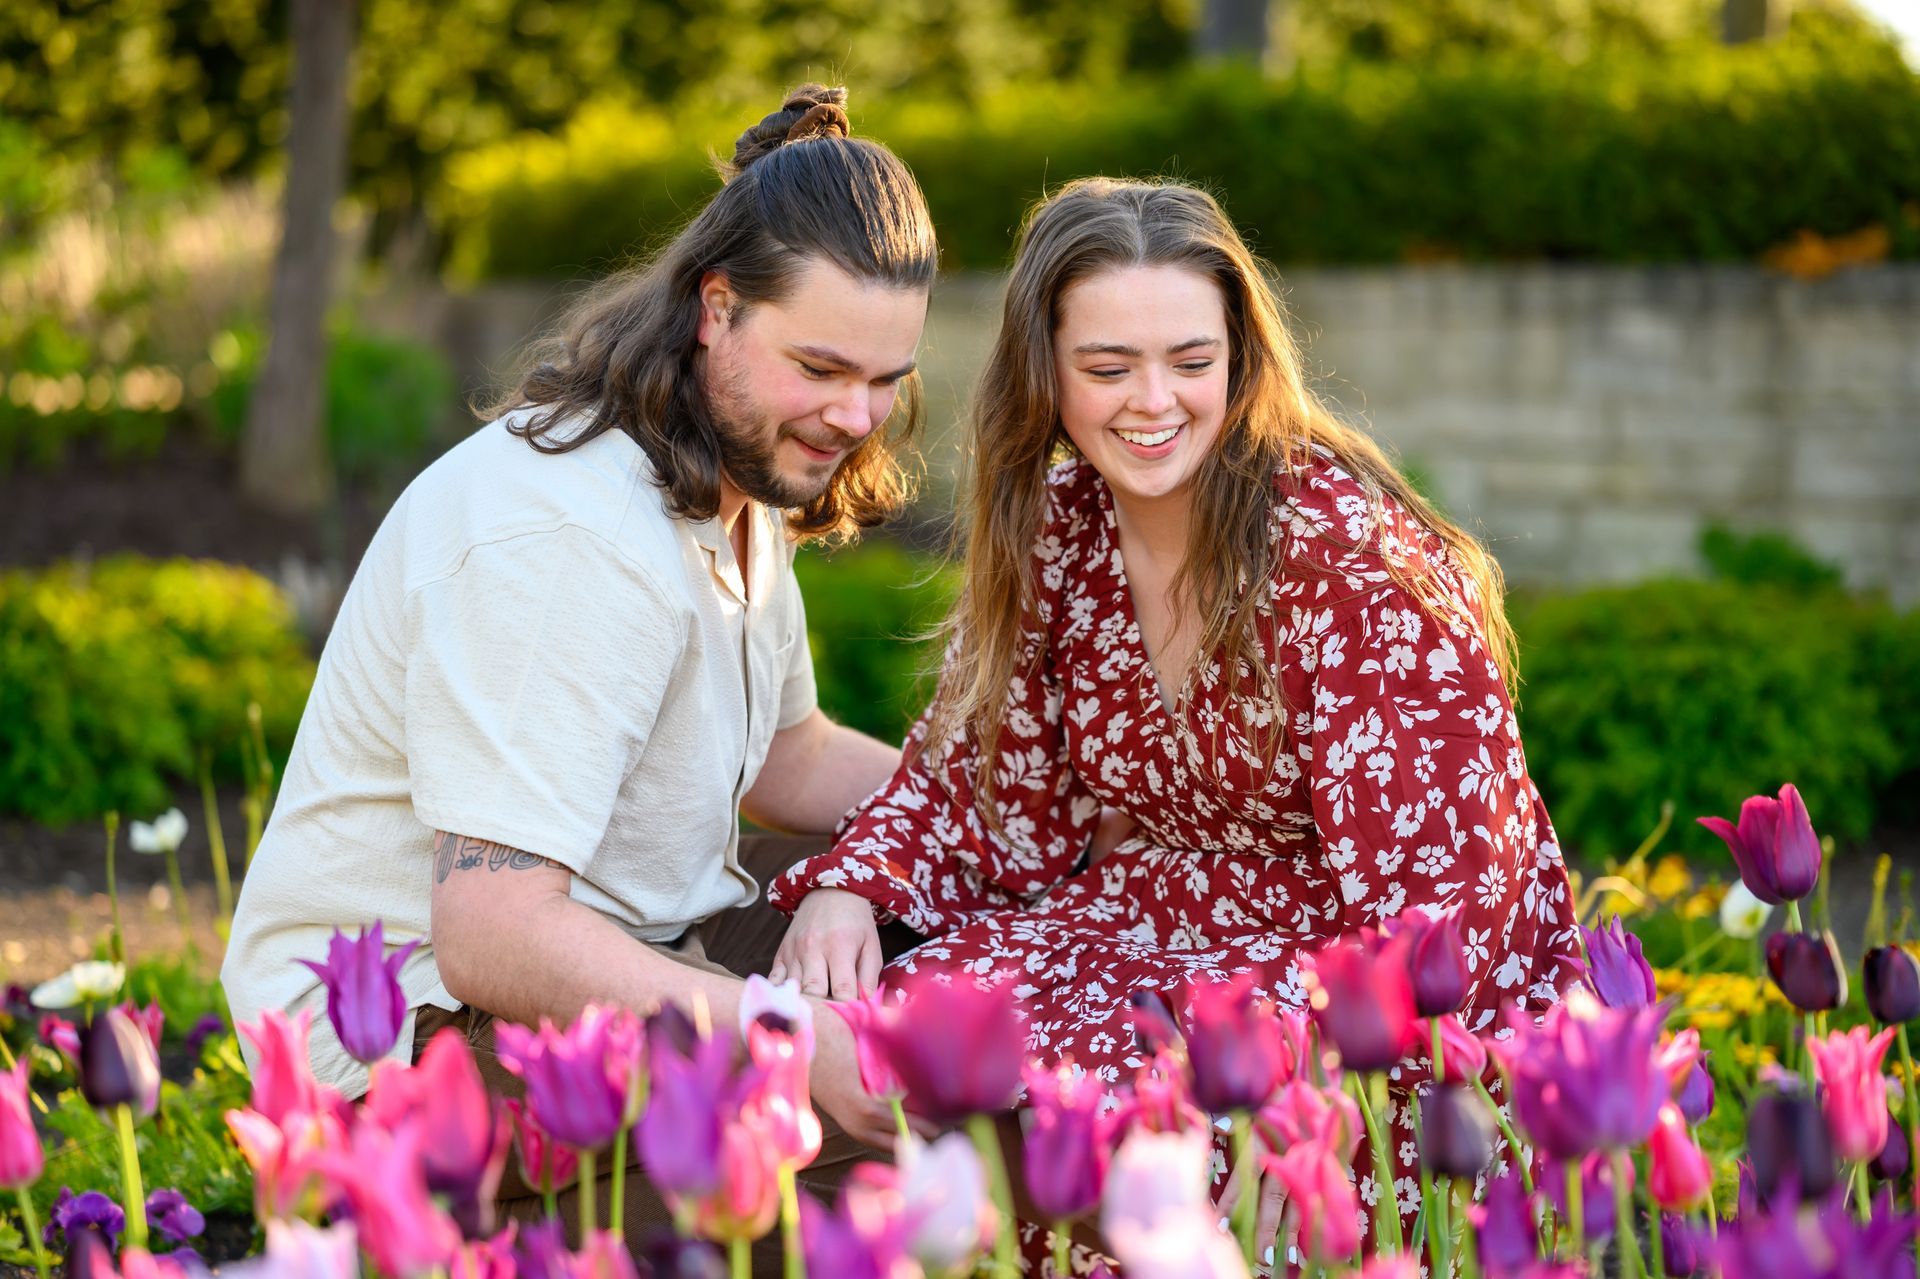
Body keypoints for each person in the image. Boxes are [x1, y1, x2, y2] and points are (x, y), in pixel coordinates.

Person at [766, 177, 1584, 1259]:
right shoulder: (1061, 528)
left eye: (1193, 362)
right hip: (1160, 921)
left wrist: (1321, 1078)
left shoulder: (1349, 562)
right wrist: (849, 885)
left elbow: (1448, 912)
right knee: (899, 1026)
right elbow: (980, 790)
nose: (1155, 401)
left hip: (1372, 971)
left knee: (1147, 1110)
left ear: (1240, 360)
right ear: (1044, 372)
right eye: (1108, 368)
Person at [221, 85, 937, 1248]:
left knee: (965, 971)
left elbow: (790, 754)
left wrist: (997, 821)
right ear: (717, 309)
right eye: (822, 366)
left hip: (626, 948)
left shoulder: (732, 475)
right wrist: (783, 1033)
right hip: (407, 1048)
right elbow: (494, 931)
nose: (857, 414)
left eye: (886, 378)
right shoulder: (565, 535)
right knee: (906, 1153)